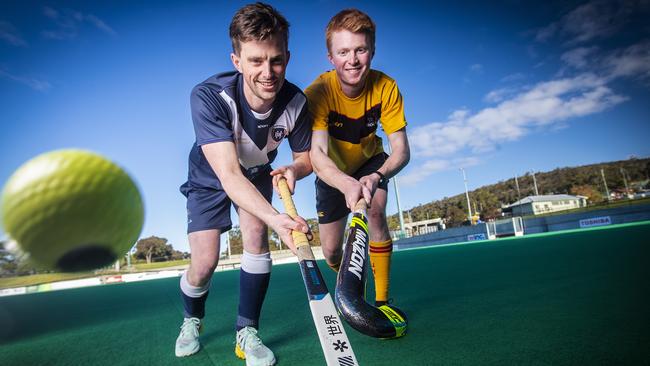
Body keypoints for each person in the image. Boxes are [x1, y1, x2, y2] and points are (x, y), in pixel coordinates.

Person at [175, 3, 312, 365]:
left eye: (276, 60)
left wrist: (295, 170)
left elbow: (305, 157)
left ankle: (246, 331)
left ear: (287, 56)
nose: (268, 72)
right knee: (204, 263)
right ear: (237, 60)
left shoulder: (297, 102)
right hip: (210, 177)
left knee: (256, 241)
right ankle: (191, 318)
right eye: (255, 61)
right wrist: (279, 218)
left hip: (256, 172)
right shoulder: (209, 96)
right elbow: (229, 175)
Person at [305, 9, 410, 308]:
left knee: (376, 212)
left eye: (360, 50)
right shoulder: (318, 92)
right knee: (331, 253)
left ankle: (382, 301)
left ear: (372, 50)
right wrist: (344, 183)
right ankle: (351, 292)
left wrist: (377, 176)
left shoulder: (386, 87)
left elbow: (401, 151)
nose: (352, 60)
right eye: (343, 52)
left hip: (369, 162)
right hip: (332, 171)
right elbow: (318, 154)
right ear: (331, 57)